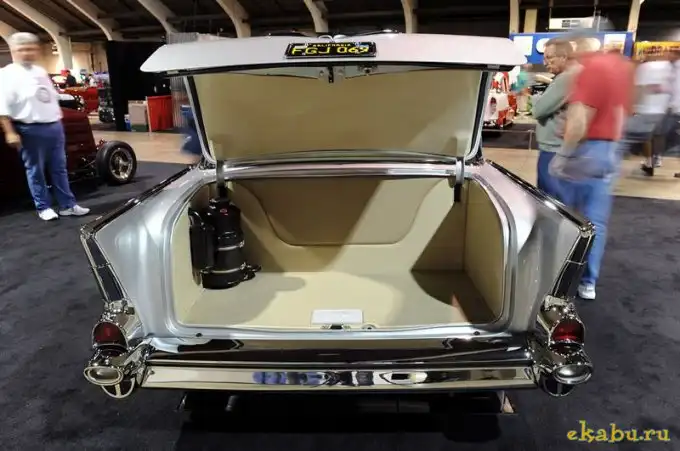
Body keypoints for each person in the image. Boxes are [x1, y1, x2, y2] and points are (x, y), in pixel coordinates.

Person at [549, 30, 634, 301]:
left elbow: (580, 117)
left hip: (587, 150)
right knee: (596, 220)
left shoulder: (591, 70)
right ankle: (588, 283)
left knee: (570, 217)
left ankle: (563, 279)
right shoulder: (620, 67)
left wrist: (563, 155)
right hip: (610, 149)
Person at [0, 32, 89, 221]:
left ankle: (67, 205)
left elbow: (50, 98)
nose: (27, 52)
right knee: (36, 170)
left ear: (37, 50)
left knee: (59, 169)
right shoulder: (7, 74)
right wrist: (10, 132)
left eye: (31, 48)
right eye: (22, 49)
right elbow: (3, 107)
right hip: (29, 129)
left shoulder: (40, 72)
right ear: (14, 51)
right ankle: (43, 207)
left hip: (54, 126)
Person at [532, 38, 579, 199]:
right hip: (564, 147)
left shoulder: (566, 78)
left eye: (549, 57)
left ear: (564, 57)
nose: (545, 62)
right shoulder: (577, 74)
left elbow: (538, 110)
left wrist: (535, 98)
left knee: (549, 198)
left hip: (553, 149)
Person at [621, 53, 673, 176]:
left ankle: (649, 162)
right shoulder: (669, 68)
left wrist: (632, 106)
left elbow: (639, 89)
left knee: (626, 138)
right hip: (662, 110)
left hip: (645, 110)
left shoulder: (645, 68)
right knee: (652, 136)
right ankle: (653, 160)